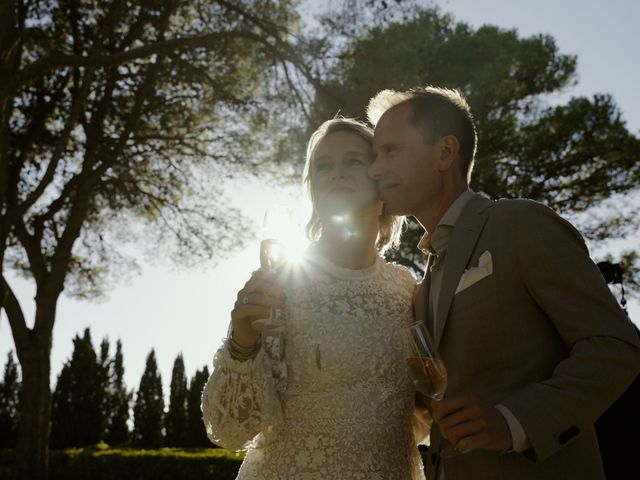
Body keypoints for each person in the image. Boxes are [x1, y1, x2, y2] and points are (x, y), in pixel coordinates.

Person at [366, 86, 640, 480]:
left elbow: (614, 346)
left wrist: (512, 422)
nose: (375, 169)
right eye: (375, 155)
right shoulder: (423, 286)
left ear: (445, 152)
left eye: (390, 151)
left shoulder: (519, 224)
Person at [201, 118, 428, 479]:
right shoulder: (281, 283)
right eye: (323, 165)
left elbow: (424, 406)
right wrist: (242, 343)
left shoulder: (406, 289)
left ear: (382, 178)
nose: (336, 173)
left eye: (353, 161)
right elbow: (229, 430)